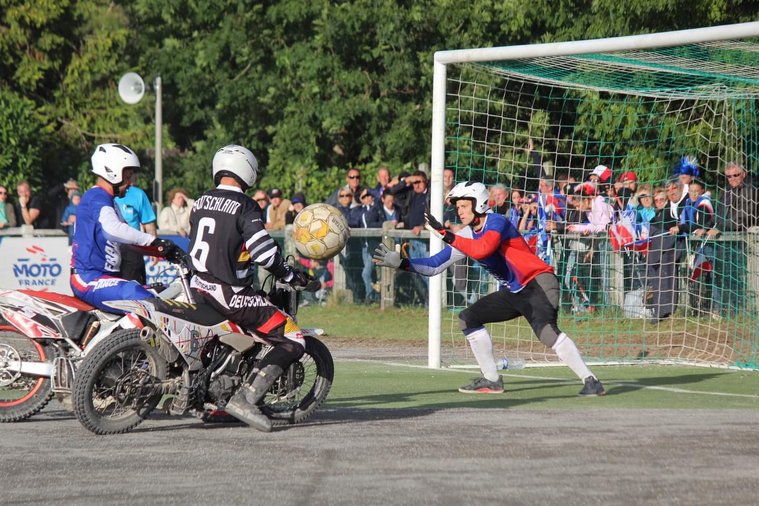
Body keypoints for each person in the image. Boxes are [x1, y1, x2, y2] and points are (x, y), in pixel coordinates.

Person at [374, 181, 604, 396]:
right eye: (458, 207)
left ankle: (591, 381)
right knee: (468, 318)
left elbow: (483, 248)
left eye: (464, 205)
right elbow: (434, 266)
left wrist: (446, 234)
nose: (460, 211)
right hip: (513, 291)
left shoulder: (497, 222)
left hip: (538, 282)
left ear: (480, 204)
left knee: (546, 333)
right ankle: (492, 379)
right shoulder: (464, 235)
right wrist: (402, 263)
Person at [187, 144, 313, 432]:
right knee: (293, 338)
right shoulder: (245, 206)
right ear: (248, 171)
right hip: (229, 294)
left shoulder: (201, 201)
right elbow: (264, 254)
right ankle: (245, 398)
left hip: (197, 287)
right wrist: (291, 275)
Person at [70, 144, 180, 311]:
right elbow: (112, 229)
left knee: (160, 291)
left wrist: (165, 251)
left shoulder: (110, 202)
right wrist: (154, 240)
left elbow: (128, 242)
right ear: (112, 173)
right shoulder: (96, 196)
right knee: (143, 300)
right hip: (89, 278)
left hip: (105, 279)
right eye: (128, 177)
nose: (131, 183)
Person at [114, 184, 157, 285]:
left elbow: (148, 222)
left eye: (130, 174)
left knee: (133, 288)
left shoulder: (138, 194)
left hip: (132, 249)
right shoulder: (105, 193)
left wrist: (154, 248)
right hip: (109, 249)